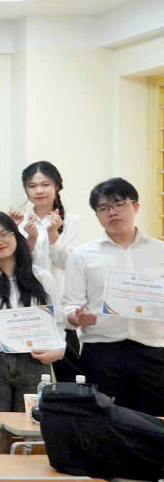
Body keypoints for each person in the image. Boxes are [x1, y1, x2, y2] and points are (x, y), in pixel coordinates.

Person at [63, 178, 164, 415]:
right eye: (103, 207)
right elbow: (69, 306)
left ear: (136, 206)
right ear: (97, 214)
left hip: (153, 351)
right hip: (102, 351)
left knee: (152, 424)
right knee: (103, 423)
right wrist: (77, 317)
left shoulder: (160, 252)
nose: (112, 212)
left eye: (118, 204)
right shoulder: (82, 255)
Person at [0, 211, 64, 413]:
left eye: (4, 234)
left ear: (16, 235)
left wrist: (58, 351)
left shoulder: (42, 277)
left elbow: (59, 324)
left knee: (30, 427)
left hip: (34, 361)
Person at [20, 161, 83, 381]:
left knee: (70, 376)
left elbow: (69, 263)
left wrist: (54, 234)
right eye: (32, 186)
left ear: (57, 186)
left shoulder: (71, 221)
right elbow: (18, 264)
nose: (39, 190)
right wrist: (29, 238)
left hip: (62, 307)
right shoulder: (20, 222)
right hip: (29, 308)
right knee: (33, 378)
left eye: (45, 184)